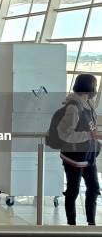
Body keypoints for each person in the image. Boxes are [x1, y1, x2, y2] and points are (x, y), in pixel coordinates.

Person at [58, 74, 99, 226]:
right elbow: (65, 134)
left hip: (88, 155)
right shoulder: (73, 107)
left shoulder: (88, 103)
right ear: (91, 87)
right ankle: (72, 224)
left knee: (93, 188)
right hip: (74, 157)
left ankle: (91, 224)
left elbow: (90, 126)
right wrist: (88, 135)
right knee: (73, 191)